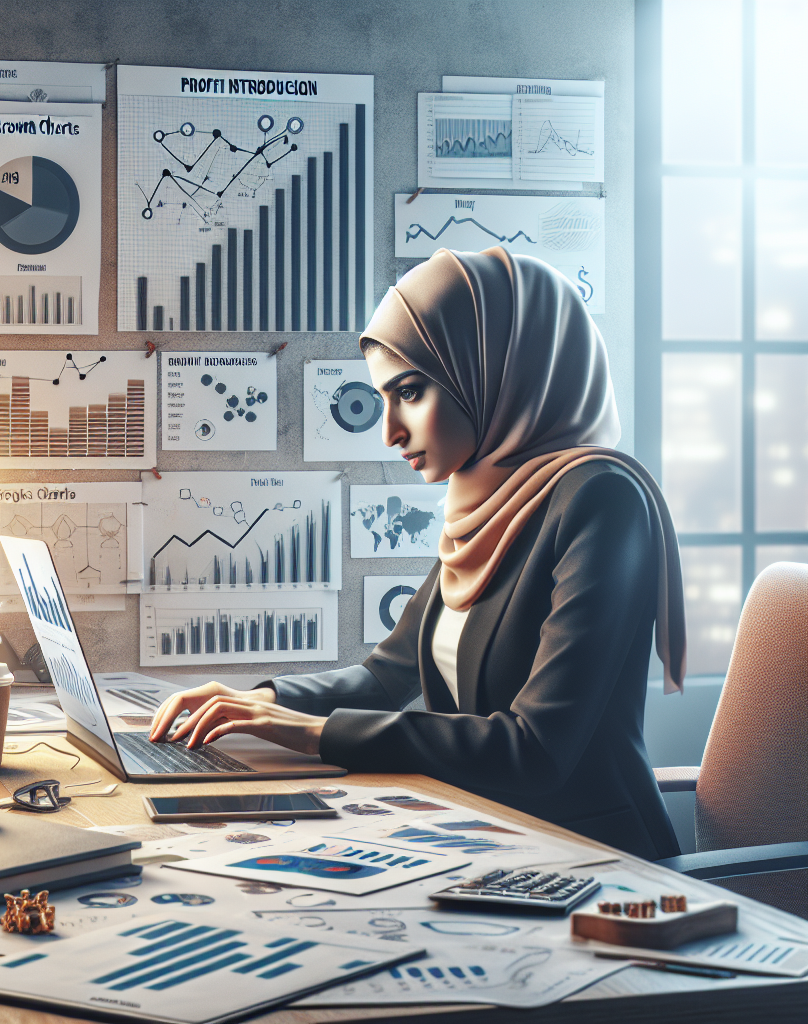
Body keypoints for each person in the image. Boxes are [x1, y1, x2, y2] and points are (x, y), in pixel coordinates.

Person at [150, 246, 686, 861]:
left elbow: (535, 749)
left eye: (409, 392)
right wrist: (261, 702)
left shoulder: (600, 499)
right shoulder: (488, 503)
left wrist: (318, 734)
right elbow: (387, 674)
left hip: (588, 860)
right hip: (483, 835)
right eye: (382, 399)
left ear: (493, 368)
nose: (389, 432)